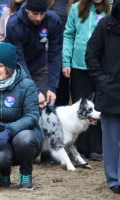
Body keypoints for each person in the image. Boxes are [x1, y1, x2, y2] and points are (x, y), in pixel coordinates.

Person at [0, 43, 43, 190]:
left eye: (0, 65)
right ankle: (4, 173)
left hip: (24, 134)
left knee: (24, 139)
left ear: (9, 67)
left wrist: (10, 130)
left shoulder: (27, 85)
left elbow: (32, 116)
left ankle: (25, 173)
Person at [63, 0, 110, 161]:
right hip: (79, 65)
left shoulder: (110, 9)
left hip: (101, 66)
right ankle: (81, 147)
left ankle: (97, 147)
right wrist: (66, 61)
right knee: (80, 105)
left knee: (98, 105)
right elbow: (69, 34)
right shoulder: (76, 8)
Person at [85, 0, 120, 194]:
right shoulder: (104, 25)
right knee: (111, 139)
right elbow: (90, 55)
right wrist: (102, 81)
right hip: (110, 91)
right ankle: (114, 180)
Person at [6, 0, 62, 108]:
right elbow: (19, 60)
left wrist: (52, 87)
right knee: (23, 106)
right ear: (27, 10)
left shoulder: (53, 20)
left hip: (39, 66)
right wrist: (34, 91)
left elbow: (55, 53)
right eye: (35, 14)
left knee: (42, 105)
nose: (39, 18)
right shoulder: (14, 24)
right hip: (17, 68)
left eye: (42, 13)